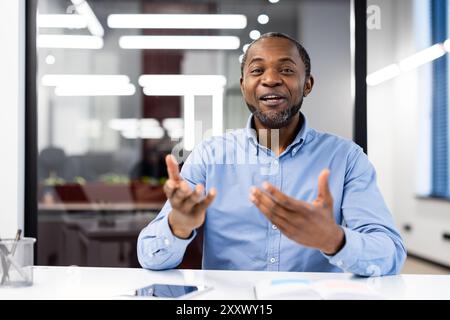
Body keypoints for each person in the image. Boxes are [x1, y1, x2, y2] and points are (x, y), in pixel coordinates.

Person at [137, 32, 406, 276]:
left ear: (308, 84)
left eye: (286, 70)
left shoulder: (346, 158)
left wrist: (334, 240)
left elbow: (390, 255)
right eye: (257, 70)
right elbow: (150, 257)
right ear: (244, 86)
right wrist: (178, 226)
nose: (270, 79)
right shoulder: (209, 156)